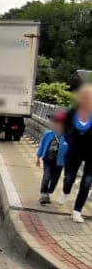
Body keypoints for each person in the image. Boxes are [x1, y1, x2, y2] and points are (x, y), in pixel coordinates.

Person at [58, 84, 92, 223]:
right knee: (69, 178)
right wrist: (68, 139)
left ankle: (77, 211)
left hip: (91, 152)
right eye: (84, 96)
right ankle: (65, 191)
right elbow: (64, 128)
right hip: (74, 150)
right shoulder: (72, 112)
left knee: (87, 182)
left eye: (89, 97)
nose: (86, 99)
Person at [36, 111, 68, 205]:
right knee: (46, 177)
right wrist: (38, 157)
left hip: (59, 163)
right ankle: (43, 195)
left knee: (54, 180)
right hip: (48, 160)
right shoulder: (48, 134)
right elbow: (42, 145)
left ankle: (48, 193)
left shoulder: (67, 136)